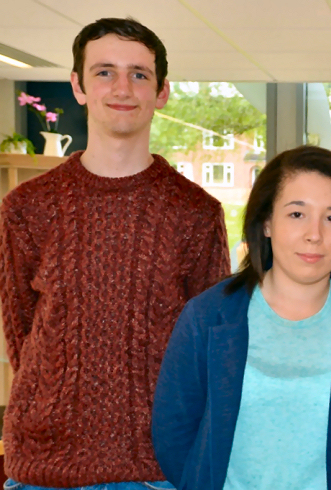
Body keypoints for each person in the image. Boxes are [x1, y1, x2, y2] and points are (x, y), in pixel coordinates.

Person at [0, 17, 230, 490]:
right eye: (104, 71)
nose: (122, 87)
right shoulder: (26, 207)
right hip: (43, 470)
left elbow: (209, 350)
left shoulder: (196, 213)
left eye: (139, 74)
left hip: (156, 470)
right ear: (78, 86)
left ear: (162, 92)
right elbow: (21, 330)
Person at [152, 145, 331, 490]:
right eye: (297, 214)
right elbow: (172, 432)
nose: (315, 234)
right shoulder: (208, 317)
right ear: (266, 222)